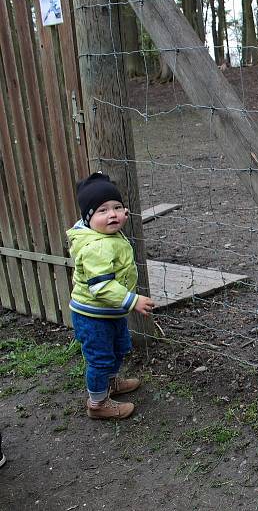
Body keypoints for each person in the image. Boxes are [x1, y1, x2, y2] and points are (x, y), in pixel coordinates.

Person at [67, 172, 155, 420]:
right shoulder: (97, 246)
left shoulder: (105, 234)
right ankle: (97, 404)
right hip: (93, 315)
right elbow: (101, 287)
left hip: (109, 311)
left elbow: (109, 219)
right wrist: (133, 300)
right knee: (100, 358)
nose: (113, 215)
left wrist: (110, 215)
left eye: (117, 207)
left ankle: (111, 382)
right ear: (88, 217)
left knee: (116, 348)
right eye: (103, 211)